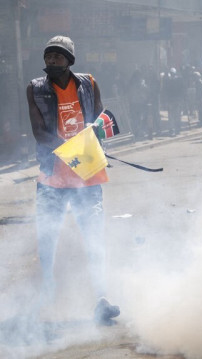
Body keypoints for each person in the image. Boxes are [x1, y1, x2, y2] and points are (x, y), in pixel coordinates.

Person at [26, 36, 120, 326]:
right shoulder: (35, 88)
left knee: (93, 237)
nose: (51, 61)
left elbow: (101, 118)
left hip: (88, 175)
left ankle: (101, 299)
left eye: (57, 56)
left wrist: (96, 136)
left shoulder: (89, 83)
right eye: (48, 56)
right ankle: (47, 298)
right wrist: (70, 148)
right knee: (47, 239)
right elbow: (39, 132)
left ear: (69, 60)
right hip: (52, 175)